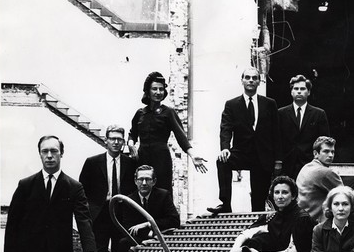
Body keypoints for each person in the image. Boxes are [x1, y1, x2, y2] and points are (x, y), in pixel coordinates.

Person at [4, 136, 104, 252]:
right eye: (45, 151)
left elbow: (83, 220)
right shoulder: (26, 185)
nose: (49, 156)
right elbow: (13, 225)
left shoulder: (74, 187)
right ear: (40, 154)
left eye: (54, 151)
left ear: (61, 153)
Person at [207, 67, 282, 213]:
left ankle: (257, 221)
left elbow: (276, 132)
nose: (251, 81)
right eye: (247, 77)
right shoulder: (232, 104)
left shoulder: (269, 103)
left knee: (258, 202)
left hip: (263, 155)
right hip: (241, 152)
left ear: (259, 81)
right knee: (222, 161)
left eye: (254, 78)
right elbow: (226, 129)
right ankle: (225, 204)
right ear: (242, 81)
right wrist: (225, 148)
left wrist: (278, 160)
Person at [127, 71, 207, 195]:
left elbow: (181, 137)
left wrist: (192, 155)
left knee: (162, 193)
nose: (158, 92)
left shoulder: (168, 112)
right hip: (142, 159)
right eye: (154, 89)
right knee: (141, 192)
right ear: (147, 91)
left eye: (161, 89)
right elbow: (132, 133)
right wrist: (131, 144)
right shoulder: (140, 113)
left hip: (161, 159)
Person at [79, 125, 137, 252]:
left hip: (121, 214)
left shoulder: (130, 163)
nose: (116, 142)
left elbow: (134, 189)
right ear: (106, 140)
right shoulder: (92, 162)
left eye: (119, 139)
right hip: (100, 214)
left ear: (123, 142)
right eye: (112, 139)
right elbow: (82, 189)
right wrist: (89, 210)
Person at [112, 165, 180, 252]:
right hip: (139, 238)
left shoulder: (163, 195)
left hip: (161, 237)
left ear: (154, 181)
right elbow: (129, 227)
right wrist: (149, 233)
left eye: (148, 179)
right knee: (122, 244)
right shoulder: (129, 200)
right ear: (135, 181)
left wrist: (148, 224)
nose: (144, 183)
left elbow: (174, 220)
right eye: (140, 179)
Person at [278, 74, 330, 179]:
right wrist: (278, 161)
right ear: (291, 92)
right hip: (287, 164)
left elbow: (324, 141)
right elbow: (277, 139)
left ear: (309, 92)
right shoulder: (281, 113)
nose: (299, 91)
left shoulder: (319, 114)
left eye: (302, 89)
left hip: (310, 164)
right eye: (296, 89)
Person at [296, 136, 343, 223]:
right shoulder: (325, 172)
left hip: (300, 221)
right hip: (316, 224)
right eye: (326, 151)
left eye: (332, 152)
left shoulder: (306, 167)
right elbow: (346, 196)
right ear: (315, 153)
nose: (330, 155)